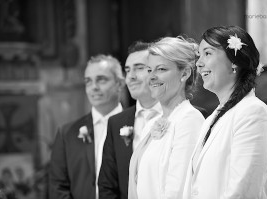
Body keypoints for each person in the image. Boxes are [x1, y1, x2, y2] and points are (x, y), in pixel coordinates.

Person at [183, 26, 267, 198]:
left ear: (234, 62)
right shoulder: (212, 119)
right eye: (199, 55)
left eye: (207, 53)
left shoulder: (253, 113)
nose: (198, 63)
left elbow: (243, 191)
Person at [128, 36, 205, 199]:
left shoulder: (189, 120)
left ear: (184, 73)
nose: (152, 76)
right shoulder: (151, 124)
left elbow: (177, 189)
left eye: (161, 69)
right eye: (149, 70)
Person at [49, 54, 125, 199]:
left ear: (120, 84)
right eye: (88, 82)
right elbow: (57, 187)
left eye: (101, 80)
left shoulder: (138, 125)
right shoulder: (67, 134)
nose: (94, 87)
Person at [98, 41, 162, 199]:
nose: (131, 77)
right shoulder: (116, 123)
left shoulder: (181, 116)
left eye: (139, 68)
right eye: (127, 70)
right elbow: (107, 185)